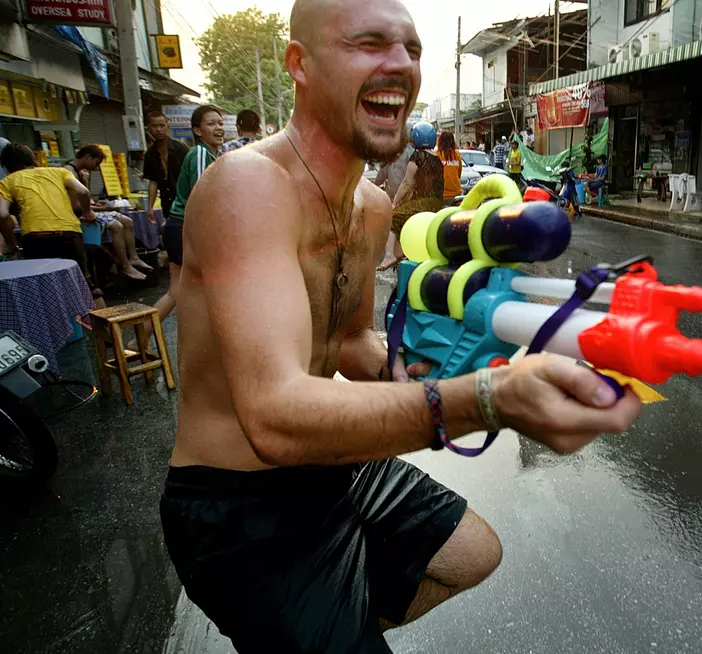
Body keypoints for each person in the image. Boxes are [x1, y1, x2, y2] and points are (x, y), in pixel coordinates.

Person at [158, 2, 642, 653]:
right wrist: (486, 400)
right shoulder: (248, 186)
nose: (399, 64)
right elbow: (271, 412)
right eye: (368, 43)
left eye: (411, 49)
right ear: (300, 66)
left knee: (472, 553)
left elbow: (350, 340)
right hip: (236, 508)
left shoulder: (371, 207)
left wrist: (406, 366)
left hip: (331, 465)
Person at [133, 105, 225, 352]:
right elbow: (202, 199)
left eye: (220, 123)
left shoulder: (208, 155)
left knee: (177, 292)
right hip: (188, 228)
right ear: (197, 130)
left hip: (178, 226)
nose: (218, 128)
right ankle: (205, 349)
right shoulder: (202, 155)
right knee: (212, 288)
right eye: (211, 124)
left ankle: (137, 341)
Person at [0, 144, 95, 280]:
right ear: (32, 159)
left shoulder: (5, 183)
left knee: (45, 285)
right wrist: (87, 212)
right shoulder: (59, 172)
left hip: (35, 238)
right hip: (70, 234)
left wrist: (12, 245)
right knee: (82, 283)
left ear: (6, 166)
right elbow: (83, 191)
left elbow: (2, 215)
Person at [63, 145, 151, 281]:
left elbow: (86, 199)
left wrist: (96, 203)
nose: (96, 168)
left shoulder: (79, 172)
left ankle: (133, 258)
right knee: (117, 226)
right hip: (77, 216)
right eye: (96, 163)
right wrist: (104, 209)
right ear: (87, 157)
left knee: (128, 221)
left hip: (87, 210)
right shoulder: (69, 172)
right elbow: (76, 206)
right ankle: (125, 265)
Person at [376, 121, 444, 271]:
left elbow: (407, 183)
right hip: (437, 204)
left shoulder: (417, 156)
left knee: (393, 217)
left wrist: (395, 202)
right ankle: (401, 254)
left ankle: (389, 256)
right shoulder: (437, 159)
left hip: (423, 203)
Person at [143, 111, 190, 226]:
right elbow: (153, 182)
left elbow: (191, 175)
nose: (158, 129)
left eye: (162, 125)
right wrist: (150, 207)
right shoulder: (150, 154)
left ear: (167, 127)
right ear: (149, 128)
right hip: (167, 202)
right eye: (154, 126)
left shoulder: (180, 148)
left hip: (185, 201)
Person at [373, 131, 414, 201]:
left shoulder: (392, 151)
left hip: (393, 197)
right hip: (410, 197)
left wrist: (375, 184)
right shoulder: (415, 152)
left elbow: (382, 174)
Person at [436, 130, 462, 203]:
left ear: (440, 141)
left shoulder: (436, 154)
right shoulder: (457, 154)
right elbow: (459, 174)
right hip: (456, 194)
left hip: (439, 195)